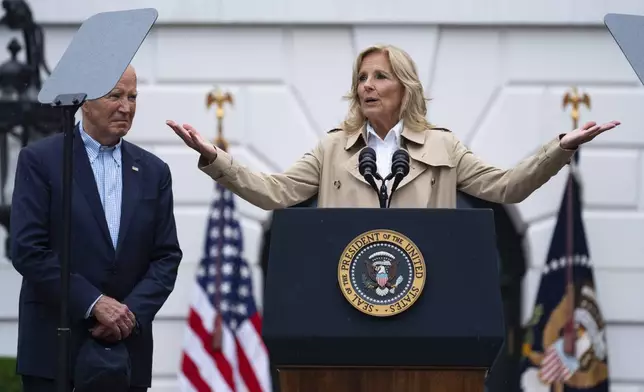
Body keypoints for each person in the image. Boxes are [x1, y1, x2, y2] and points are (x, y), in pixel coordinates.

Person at [166, 44, 620, 209]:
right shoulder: (332, 150)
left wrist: (560, 148)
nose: (368, 86)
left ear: (405, 88)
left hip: (426, 297)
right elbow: (275, 192)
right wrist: (214, 158)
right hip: (345, 296)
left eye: (380, 76)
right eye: (361, 78)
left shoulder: (443, 148)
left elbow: (506, 188)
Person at [11, 64, 183, 391]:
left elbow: (166, 257)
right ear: (84, 102)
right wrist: (93, 303)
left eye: (133, 96)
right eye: (115, 95)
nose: (126, 106)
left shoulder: (153, 171)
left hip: (124, 354)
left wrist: (128, 315)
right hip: (54, 352)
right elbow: (27, 249)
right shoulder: (42, 160)